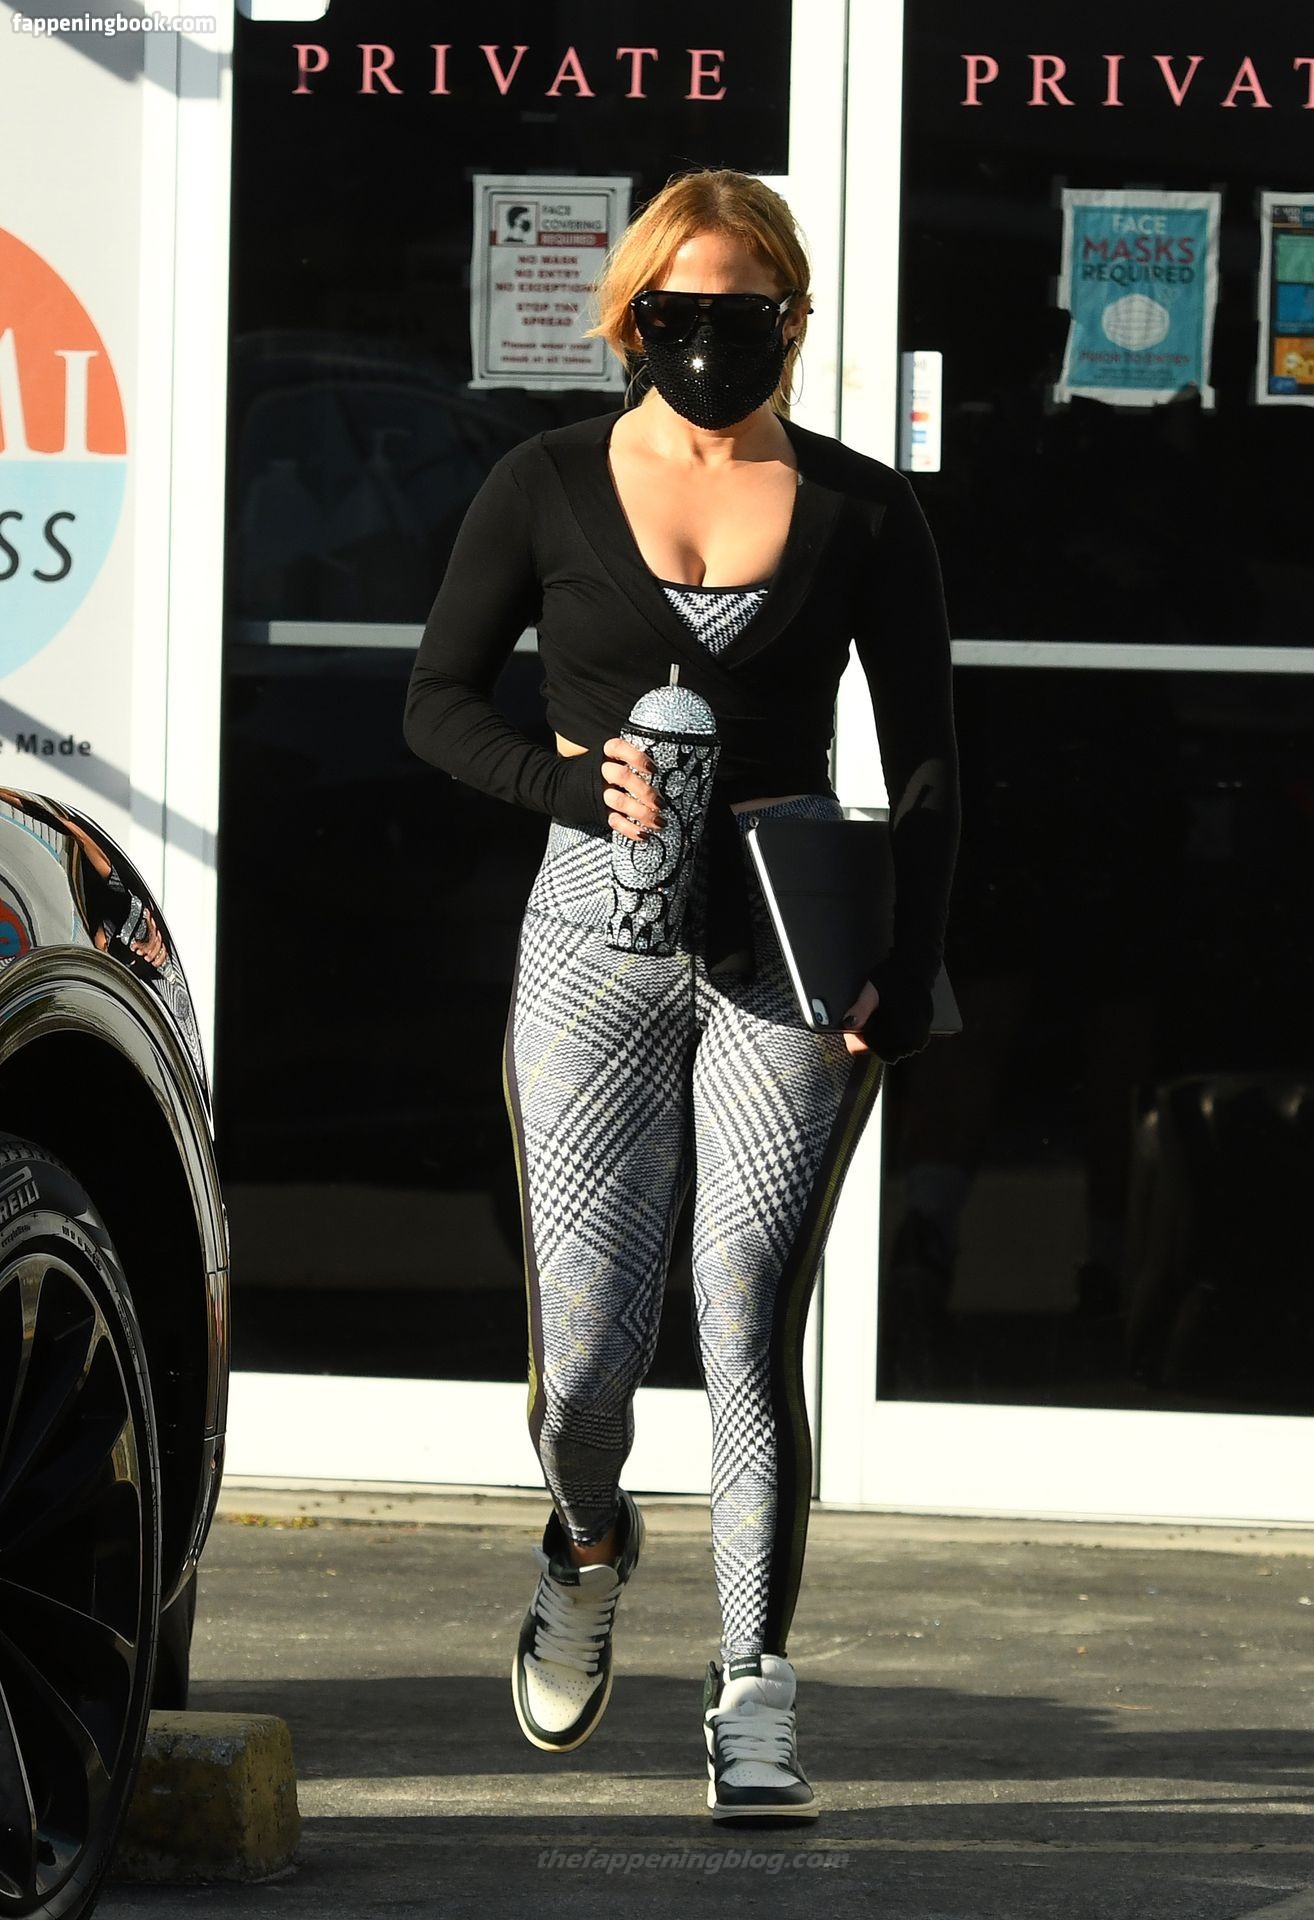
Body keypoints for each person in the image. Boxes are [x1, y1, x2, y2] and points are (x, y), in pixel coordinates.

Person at [403, 167, 960, 1822]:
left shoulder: (861, 509)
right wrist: (566, 784)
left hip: (788, 942)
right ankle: (585, 1547)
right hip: (592, 939)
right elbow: (437, 701)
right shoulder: (543, 483)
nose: (713, 340)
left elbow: (930, 755)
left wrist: (905, 962)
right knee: (583, 1357)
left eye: (746, 311)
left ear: (792, 316)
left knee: (741, 1316)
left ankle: (754, 1687)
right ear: (631, 316)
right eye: (680, 311)